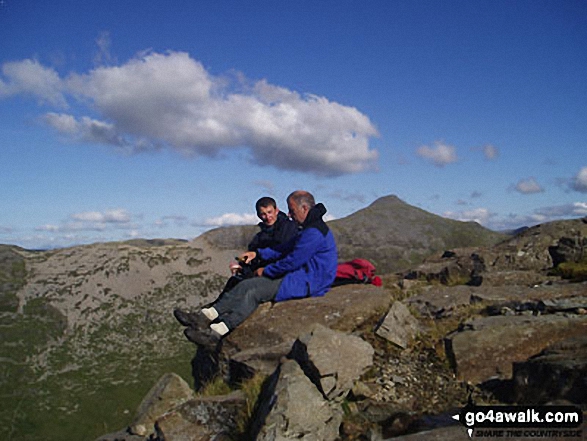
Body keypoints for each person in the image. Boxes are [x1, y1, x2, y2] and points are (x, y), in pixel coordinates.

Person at [175, 190, 338, 350]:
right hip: (301, 275)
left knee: (255, 293)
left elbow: (293, 261)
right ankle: (204, 317)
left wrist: (266, 271)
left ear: (304, 208)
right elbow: (284, 248)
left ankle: (216, 333)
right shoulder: (309, 227)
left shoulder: (313, 232)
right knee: (247, 285)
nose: (289, 214)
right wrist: (258, 253)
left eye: (292, 210)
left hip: (309, 281)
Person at [173, 196, 297, 328]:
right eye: (263, 214)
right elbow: (253, 255)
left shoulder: (288, 228)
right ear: (258, 215)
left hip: (275, 272)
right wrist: (241, 266)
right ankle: (207, 316)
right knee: (235, 280)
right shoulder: (261, 233)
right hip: (262, 269)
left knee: (245, 286)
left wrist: (260, 266)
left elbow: (281, 252)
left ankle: (211, 320)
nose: (267, 217)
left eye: (269, 212)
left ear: (276, 210)